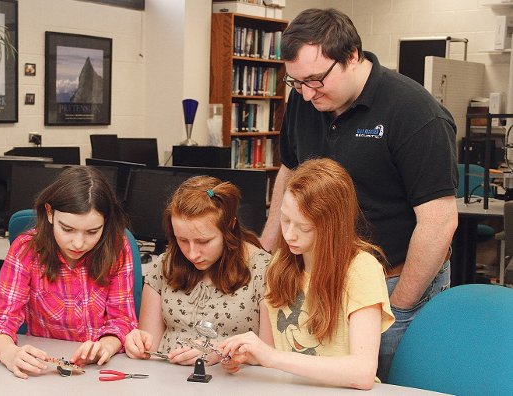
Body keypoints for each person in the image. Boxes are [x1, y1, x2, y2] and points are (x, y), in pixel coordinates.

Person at [259, 8, 458, 381]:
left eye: (315, 80)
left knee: (381, 381)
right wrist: (264, 256)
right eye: (295, 82)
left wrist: (397, 307)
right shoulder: (303, 100)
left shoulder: (415, 114)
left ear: (352, 56)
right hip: (323, 278)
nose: (305, 92)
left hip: (395, 281)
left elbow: (439, 221)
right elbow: (289, 174)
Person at [220, 158, 395, 390]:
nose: (290, 235)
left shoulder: (361, 269)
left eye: (304, 227)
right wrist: (249, 355)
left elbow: (362, 373)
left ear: (332, 227)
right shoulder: (279, 266)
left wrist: (270, 357)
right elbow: (271, 354)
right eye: (285, 219)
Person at [0, 166, 137, 379]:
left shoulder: (118, 247)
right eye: (67, 229)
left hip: (97, 372)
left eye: (92, 232)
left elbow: (122, 320)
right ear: (49, 213)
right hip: (46, 366)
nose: (78, 243)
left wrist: (105, 347)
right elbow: (0, 322)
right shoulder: (26, 249)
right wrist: (10, 354)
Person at [124, 176, 271, 365]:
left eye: (203, 241)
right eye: (182, 240)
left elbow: (270, 356)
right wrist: (137, 344)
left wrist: (220, 354)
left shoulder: (264, 270)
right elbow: (149, 348)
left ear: (230, 227)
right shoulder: (164, 265)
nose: (192, 254)